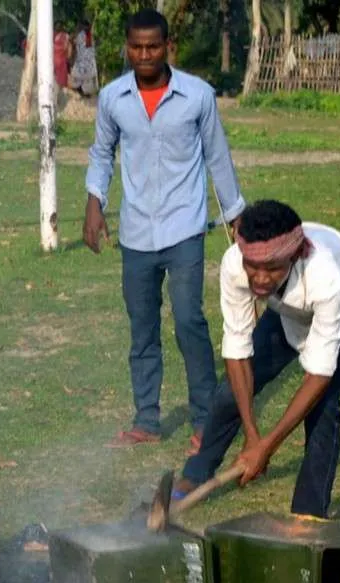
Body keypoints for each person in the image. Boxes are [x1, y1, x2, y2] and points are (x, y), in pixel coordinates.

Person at [84, 9, 245, 454]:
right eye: (136, 47)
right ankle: (147, 419)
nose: (144, 54)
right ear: (127, 48)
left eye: (153, 46)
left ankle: (204, 420)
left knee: (189, 322)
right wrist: (94, 203)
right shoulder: (114, 98)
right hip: (136, 232)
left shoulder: (197, 96)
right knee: (142, 328)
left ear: (167, 46)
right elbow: (101, 154)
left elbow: (218, 156)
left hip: (184, 228)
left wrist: (235, 215)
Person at [178, 201, 340, 518]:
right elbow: (237, 351)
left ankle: (308, 516)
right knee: (227, 393)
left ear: (296, 254)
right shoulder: (236, 264)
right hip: (289, 310)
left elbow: (318, 375)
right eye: (253, 267)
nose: (260, 279)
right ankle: (193, 478)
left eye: (272, 267)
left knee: (323, 409)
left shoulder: (326, 275)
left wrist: (266, 447)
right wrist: (251, 435)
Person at [69, 20, 99, 97]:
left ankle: (80, 90)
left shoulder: (80, 35)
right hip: (89, 60)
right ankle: (86, 92)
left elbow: (73, 42)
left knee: (79, 76)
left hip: (82, 59)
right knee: (87, 77)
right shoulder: (91, 35)